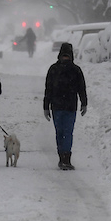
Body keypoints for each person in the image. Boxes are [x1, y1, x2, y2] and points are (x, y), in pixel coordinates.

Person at [43, 42, 87, 170]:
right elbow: (81, 88)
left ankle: (62, 157)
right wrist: (84, 103)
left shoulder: (53, 69)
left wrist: (46, 106)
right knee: (67, 133)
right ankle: (66, 158)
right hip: (70, 106)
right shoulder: (76, 70)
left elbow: (48, 89)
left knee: (60, 132)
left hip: (57, 106)